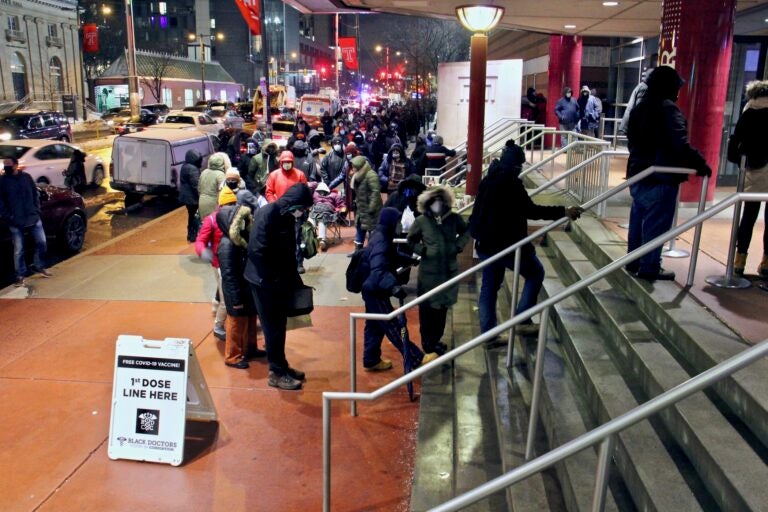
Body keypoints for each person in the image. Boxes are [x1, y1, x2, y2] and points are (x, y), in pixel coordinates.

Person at [469, 140, 583, 336]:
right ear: (515, 166)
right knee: (535, 273)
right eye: (519, 166)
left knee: (489, 287)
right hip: (506, 244)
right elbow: (531, 210)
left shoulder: (488, 180)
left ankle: (488, 333)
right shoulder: (511, 184)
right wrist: (563, 211)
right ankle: (522, 319)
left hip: (485, 243)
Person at [625, 65, 712, 281]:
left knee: (638, 218)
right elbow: (679, 144)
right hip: (661, 175)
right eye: (676, 88)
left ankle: (634, 261)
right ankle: (649, 267)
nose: (678, 92)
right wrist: (701, 163)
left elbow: (631, 138)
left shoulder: (640, 108)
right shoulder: (668, 109)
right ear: (669, 87)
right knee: (656, 224)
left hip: (638, 172)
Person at [245, 183, 314, 390]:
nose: (302, 212)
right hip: (264, 282)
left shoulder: (287, 216)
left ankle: (282, 366)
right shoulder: (268, 213)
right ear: (293, 203)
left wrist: (292, 278)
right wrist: (273, 279)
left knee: (280, 325)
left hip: (277, 281)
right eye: (302, 208)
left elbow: (287, 251)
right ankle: (276, 372)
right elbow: (257, 251)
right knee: (272, 327)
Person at [362, 206, 438, 371]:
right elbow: (379, 270)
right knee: (393, 325)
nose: (400, 226)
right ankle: (416, 357)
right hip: (375, 290)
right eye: (397, 222)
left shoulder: (382, 235)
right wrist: (394, 286)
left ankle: (371, 358)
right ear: (390, 222)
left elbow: (390, 256)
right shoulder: (382, 239)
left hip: (371, 288)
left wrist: (409, 260)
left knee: (375, 326)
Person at [407, 185, 470, 356]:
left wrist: (457, 246)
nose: (437, 204)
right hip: (428, 273)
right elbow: (410, 240)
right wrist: (423, 251)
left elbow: (466, 232)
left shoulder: (454, 219)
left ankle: (435, 340)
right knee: (427, 310)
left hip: (448, 272)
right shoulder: (421, 221)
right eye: (434, 201)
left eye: (441, 200)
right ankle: (428, 344)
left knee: (442, 309)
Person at [216, 183, 265, 369]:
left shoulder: (238, 241)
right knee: (236, 321)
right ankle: (233, 356)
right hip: (236, 289)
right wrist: (235, 298)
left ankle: (249, 348)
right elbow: (229, 276)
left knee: (250, 317)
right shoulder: (227, 246)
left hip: (245, 286)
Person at [726, 79, 768, 277]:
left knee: (748, 216)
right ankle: (767, 261)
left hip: (754, 167)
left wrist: (737, 158)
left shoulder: (749, 110)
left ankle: (740, 258)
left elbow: (736, 139)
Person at [0, 156, 52, 287]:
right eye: (4, 164)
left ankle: (39, 266)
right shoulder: (2, 181)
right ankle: (20, 275)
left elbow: (35, 194)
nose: (6, 166)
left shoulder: (26, 177)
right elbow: (1, 203)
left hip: (32, 217)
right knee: (18, 249)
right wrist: (9, 217)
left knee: (42, 242)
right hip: (15, 221)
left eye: (8, 164)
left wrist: (36, 210)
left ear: (16, 165)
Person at [350, 155, 382, 253]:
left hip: (370, 211)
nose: (352, 168)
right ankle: (358, 252)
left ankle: (371, 252)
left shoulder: (371, 175)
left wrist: (371, 208)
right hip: (361, 209)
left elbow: (375, 192)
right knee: (360, 229)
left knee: (372, 232)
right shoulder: (357, 176)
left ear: (359, 166)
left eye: (354, 166)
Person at [311, 181, 344, 251]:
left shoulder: (334, 195)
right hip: (316, 211)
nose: (322, 192)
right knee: (310, 218)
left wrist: (337, 210)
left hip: (328, 213)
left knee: (322, 218)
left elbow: (342, 206)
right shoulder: (315, 193)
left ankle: (322, 240)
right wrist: (316, 183)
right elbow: (310, 185)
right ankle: (310, 237)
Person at [179, 149, 202, 242]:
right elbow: (196, 185)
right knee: (194, 216)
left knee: (191, 215)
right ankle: (193, 235)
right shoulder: (192, 169)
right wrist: (201, 195)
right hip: (192, 198)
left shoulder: (185, 166)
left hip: (187, 197)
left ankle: (190, 234)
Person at [198, 152, 229, 219]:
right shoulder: (220, 175)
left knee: (204, 224)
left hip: (202, 201)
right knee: (213, 224)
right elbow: (223, 192)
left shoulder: (204, 172)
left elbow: (199, 189)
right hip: (213, 203)